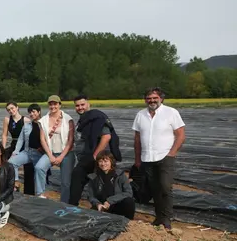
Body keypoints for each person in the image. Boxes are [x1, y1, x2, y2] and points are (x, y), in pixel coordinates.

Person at [132, 87, 185, 230]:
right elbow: (137, 139)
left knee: (165, 187)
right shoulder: (141, 115)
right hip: (147, 158)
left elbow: (180, 135)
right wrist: (137, 159)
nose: (152, 101)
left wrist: (172, 153)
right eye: (149, 98)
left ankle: (167, 219)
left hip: (165, 156)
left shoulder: (171, 112)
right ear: (145, 100)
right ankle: (159, 217)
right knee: (154, 188)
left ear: (161, 98)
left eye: (155, 98)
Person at [69, 95, 122, 206]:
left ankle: (105, 207)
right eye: (77, 106)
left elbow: (106, 137)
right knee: (78, 177)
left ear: (88, 104)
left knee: (101, 183)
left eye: (82, 104)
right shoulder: (84, 119)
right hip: (86, 157)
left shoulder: (97, 118)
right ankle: (72, 206)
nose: (80, 107)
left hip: (97, 158)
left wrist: (95, 156)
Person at [38, 95, 75, 203]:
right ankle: (41, 195)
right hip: (51, 152)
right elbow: (42, 139)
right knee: (39, 167)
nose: (53, 106)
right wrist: (50, 155)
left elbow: (70, 140)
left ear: (59, 105)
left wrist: (61, 156)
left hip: (66, 153)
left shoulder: (68, 119)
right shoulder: (43, 120)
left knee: (65, 182)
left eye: (55, 104)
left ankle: (64, 202)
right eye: (50, 104)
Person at [9, 104, 47, 198]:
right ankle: (16, 183)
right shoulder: (27, 125)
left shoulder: (45, 124)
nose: (32, 114)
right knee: (11, 162)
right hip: (27, 152)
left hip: (40, 154)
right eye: (30, 112)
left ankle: (40, 194)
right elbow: (21, 139)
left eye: (34, 111)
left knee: (39, 172)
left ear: (39, 112)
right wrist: (16, 152)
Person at [85, 152, 135, 220]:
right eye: (100, 161)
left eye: (106, 161)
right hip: (102, 207)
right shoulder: (94, 177)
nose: (103, 164)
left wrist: (109, 201)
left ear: (111, 162)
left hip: (118, 205)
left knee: (129, 201)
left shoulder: (120, 175)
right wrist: (98, 204)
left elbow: (128, 193)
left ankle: (128, 221)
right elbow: (90, 196)